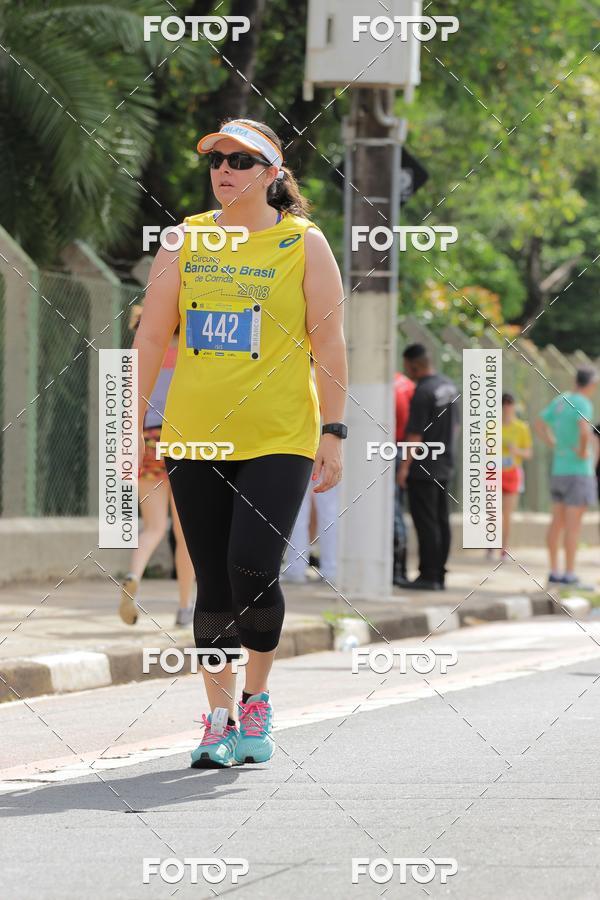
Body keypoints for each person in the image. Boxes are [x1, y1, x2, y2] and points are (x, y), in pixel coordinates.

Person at [133, 118, 348, 768]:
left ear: (272, 174)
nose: (224, 169)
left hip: (279, 435)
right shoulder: (183, 239)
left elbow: (330, 341)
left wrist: (334, 431)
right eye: (216, 159)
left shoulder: (303, 242)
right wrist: (126, 421)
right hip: (195, 435)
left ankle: (257, 697)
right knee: (212, 584)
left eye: (241, 160)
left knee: (251, 567)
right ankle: (219, 718)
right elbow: (151, 337)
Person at [119, 308, 195, 627]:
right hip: (180, 441)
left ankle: (134, 575)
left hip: (146, 439)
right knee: (185, 532)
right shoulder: (190, 354)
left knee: (153, 527)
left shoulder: (142, 355)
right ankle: (185, 607)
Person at [397, 344, 459, 591]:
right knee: (441, 520)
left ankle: (428, 575)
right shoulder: (448, 386)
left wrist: (404, 467)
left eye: (406, 366)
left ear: (413, 365)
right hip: (444, 462)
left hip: (423, 467)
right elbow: (456, 426)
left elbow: (415, 435)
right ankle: (439, 574)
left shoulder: (422, 392)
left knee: (426, 522)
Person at [535, 367, 599, 585]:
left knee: (556, 523)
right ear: (591, 384)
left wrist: (552, 443)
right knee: (573, 526)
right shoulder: (583, 403)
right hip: (578, 473)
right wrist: (582, 451)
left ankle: (554, 571)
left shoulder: (561, 400)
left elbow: (539, 423)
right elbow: (584, 430)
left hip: (559, 470)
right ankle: (570, 574)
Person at [282, 358, 340, 584]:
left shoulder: (297, 375)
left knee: (297, 511)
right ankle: (331, 568)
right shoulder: (330, 377)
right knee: (329, 511)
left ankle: (296, 569)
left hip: (301, 446)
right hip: (327, 447)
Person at [500, 393, 533, 559]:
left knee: (507, 513)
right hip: (494, 473)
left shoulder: (521, 427)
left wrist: (516, 450)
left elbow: (529, 453)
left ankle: (504, 547)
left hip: (513, 473)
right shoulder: (490, 427)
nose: (506, 407)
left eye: (509, 403)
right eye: (503, 404)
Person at [393, 370, 415, 587]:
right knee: (398, 511)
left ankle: (396, 570)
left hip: (391, 449)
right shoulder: (407, 384)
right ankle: (400, 569)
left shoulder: (391, 387)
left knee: (393, 513)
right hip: (405, 450)